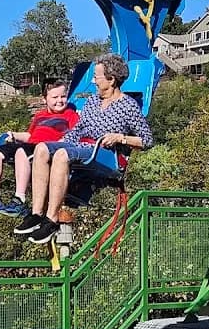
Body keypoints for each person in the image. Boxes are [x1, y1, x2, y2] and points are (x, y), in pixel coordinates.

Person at [13, 53, 154, 244]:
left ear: (111, 79)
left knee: (62, 155)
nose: (93, 81)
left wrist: (120, 137)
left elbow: (147, 140)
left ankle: (51, 219)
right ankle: (37, 213)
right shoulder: (92, 102)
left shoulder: (127, 106)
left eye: (97, 76)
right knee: (42, 149)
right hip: (82, 145)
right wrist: (58, 142)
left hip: (105, 153)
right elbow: (78, 129)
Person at [0, 80, 79, 217]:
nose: (60, 100)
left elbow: (75, 134)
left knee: (21, 152)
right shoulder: (40, 116)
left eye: (63, 96)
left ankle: (20, 199)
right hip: (30, 144)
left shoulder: (70, 115)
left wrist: (61, 142)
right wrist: (14, 135)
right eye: (55, 97)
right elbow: (30, 135)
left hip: (47, 148)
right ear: (44, 99)